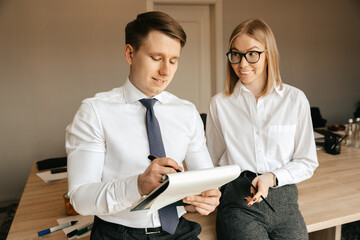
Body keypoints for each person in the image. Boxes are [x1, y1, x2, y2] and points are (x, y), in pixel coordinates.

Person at [66, 11, 221, 240]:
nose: (166, 71)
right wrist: (137, 185)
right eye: (156, 58)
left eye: (173, 60)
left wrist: (206, 199)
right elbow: (80, 199)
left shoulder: (187, 112)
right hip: (117, 234)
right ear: (130, 53)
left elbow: (205, 180)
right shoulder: (94, 112)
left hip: (177, 230)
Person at [206, 18, 318, 240]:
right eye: (236, 54)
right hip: (239, 201)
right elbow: (211, 161)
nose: (243, 63)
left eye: (253, 53)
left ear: (269, 55)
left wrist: (271, 178)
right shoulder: (220, 104)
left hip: (284, 198)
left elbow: (307, 162)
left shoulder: (295, 100)